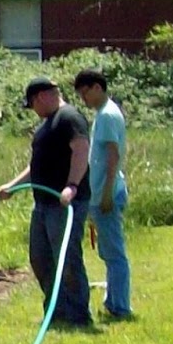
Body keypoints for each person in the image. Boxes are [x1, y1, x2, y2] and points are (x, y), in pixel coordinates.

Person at [0, 76, 92, 328]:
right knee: (40, 257)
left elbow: (81, 149)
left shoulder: (69, 118)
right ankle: (56, 309)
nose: (35, 111)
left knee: (67, 257)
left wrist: (71, 185)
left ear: (39, 97)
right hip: (43, 205)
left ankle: (78, 314)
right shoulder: (47, 126)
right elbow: (36, 165)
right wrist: (13, 186)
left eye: (33, 105)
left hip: (64, 203)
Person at [73, 67, 131, 319]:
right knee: (108, 251)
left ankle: (120, 306)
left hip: (108, 192)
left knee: (114, 252)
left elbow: (112, 155)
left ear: (97, 87)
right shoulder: (104, 114)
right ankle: (113, 300)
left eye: (85, 92)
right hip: (101, 192)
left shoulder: (107, 116)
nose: (83, 99)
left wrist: (106, 193)